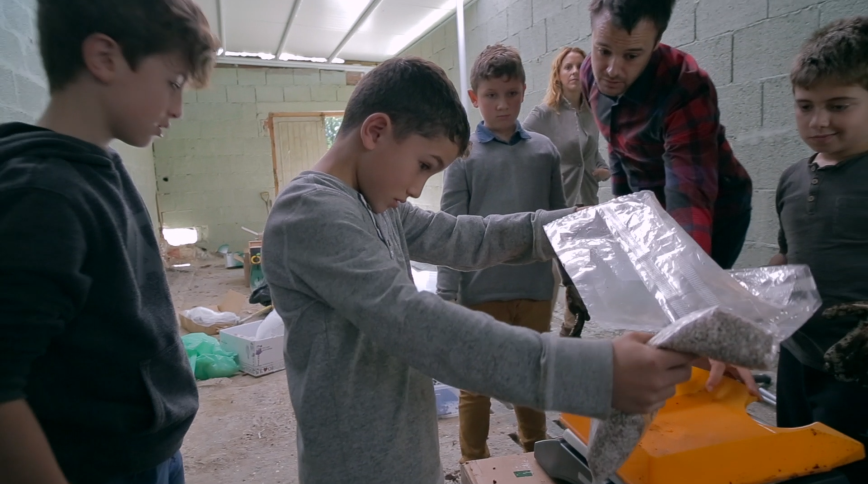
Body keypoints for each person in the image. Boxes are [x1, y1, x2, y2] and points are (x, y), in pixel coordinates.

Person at [261, 56, 696, 484]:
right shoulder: (310, 212)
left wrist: (579, 226)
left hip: (410, 460)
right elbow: (416, 325)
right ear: (376, 131)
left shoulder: (375, 205)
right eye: (424, 165)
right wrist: (598, 374)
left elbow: (468, 237)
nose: (416, 188)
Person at [0, 1, 219, 483]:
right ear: (105, 58)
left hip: (147, 452)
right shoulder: (44, 195)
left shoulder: (99, 169)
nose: (178, 109)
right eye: (173, 83)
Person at [581, 0, 758, 393]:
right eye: (603, 50)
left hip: (714, 210)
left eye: (631, 56)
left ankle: (707, 383)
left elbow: (690, 197)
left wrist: (697, 306)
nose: (612, 69)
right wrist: (625, 224)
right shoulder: (589, 75)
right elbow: (618, 151)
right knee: (652, 309)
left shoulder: (686, 87)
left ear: (656, 42)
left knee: (688, 313)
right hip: (653, 200)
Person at [435, 44, 567, 462]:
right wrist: (446, 296)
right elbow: (450, 230)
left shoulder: (544, 151)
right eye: (491, 95)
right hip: (480, 292)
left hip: (535, 290)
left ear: (524, 91)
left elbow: (559, 224)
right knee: (477, 385)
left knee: (529, 377)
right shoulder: (464, 157)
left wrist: (572, 279)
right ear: (474, 98)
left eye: (511, 94)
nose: (502, 104)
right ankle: (474, 462)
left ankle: (536, 453)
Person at [769, 16, 868, 482]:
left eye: (838, 105)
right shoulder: (791, 179)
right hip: (797, 358)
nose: (819, 120)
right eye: (805, 106)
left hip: (859, 376)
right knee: (795, 465)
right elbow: (786, 257)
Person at [524, 46, 610, 336]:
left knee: (583, 271)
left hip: (587, 201)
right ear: (558, 75)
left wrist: (604, 171)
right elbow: (522, 145)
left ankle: (570, 325)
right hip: (559, 204)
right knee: (564, 273)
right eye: (568, 67)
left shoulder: (591, 112)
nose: (574, 72)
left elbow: (593, 155)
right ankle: (550, 329)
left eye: (579, 66)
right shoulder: (545, 114)